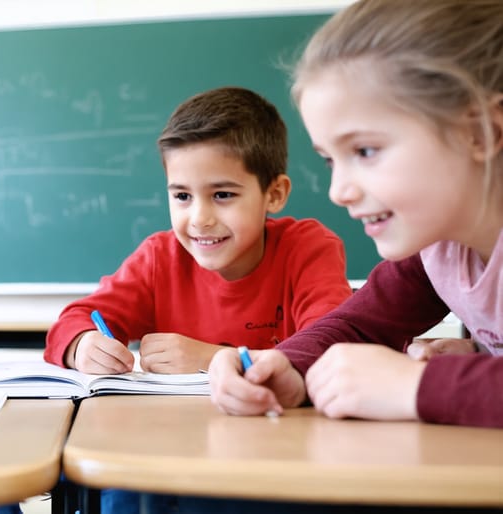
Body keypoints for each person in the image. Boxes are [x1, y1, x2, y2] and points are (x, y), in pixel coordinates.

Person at [209, 0, 503, 429]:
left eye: (364, 151)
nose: (338, 192)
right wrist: (287, 367)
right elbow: (360, 324)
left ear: (482, 132)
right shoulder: (438, 250)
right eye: (331, 160)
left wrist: (415, 385)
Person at [44, 87, 352, 375]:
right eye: (182, 196)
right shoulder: (159, 258)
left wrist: (212, 359)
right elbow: (72, 322)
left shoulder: (308, 249)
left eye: (222, 195)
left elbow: (331, 351)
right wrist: (82, 345)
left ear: (274, 194)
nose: (199, 219)